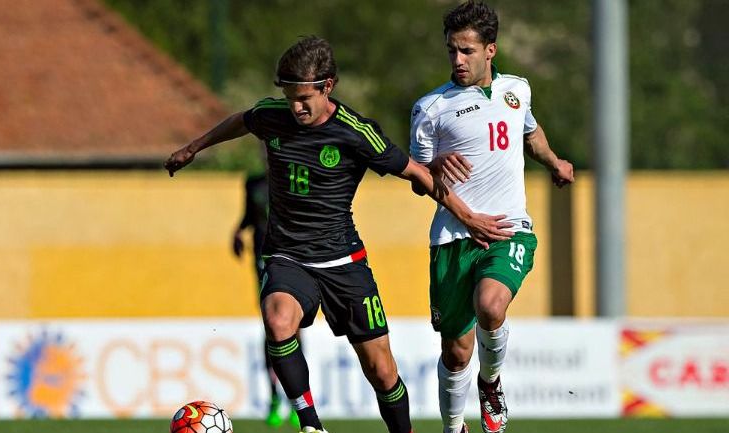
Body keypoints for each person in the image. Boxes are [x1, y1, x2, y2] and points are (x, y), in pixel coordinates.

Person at [165, 36, 508, 433]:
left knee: (381, 371)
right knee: (278, 321)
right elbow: (242, 120)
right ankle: (310, 424)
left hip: (344, 263)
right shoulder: (271, 115)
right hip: (287, 256)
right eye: (290, 97)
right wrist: (193, 148)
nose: (296, 107)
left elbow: (418, 173)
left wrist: (468, 217)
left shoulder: (357, 132)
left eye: (304, 98)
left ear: (327, 86)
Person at [409, 2, 575, 433]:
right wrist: (435, 165)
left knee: (491, 305)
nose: (457, 61)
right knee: (456, 353)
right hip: (452, 239)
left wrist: (554, 162)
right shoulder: (431, 108)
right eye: (451, 51)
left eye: (466, 51)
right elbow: (418, 177)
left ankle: (491, 382)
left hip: (507, 229)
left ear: (490, 50)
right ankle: (452, 427)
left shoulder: (517, 88)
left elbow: (530, 132)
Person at [231, 169, 300, 429]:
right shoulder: (254, 183)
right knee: (272, 326)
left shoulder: (295, 174)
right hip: (264, 258)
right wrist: (238, 231)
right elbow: (250, 216)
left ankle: (297, 399)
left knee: (295, 328)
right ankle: (274, 399)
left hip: (294, 256)